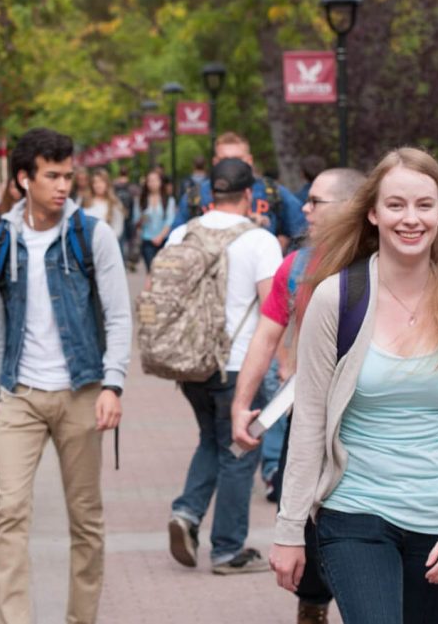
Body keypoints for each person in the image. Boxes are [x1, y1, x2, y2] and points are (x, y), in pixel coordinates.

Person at [270, 148, 438, 624]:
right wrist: (289, 528)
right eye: (396, 205)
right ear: (374, 212)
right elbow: (310, 422)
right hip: (354, 513)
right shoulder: (337, 298)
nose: (410, 218)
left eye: (424, 205)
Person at [0, 128, 132, 624]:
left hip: (81, 391)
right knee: (10, 511)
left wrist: (112, 384)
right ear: (24, 179)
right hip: (19, 394)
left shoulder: (91, 234)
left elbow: (120, 314)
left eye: (68, 175)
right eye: (52, 175)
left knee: (85, 520)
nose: (63, 185)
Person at [230, 168, 366, 623]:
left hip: (370, 420)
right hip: (307, 413)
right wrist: (241, 404)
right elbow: (265, 337)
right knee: (305, 514)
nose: (303, 209)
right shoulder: (297, 266)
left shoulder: (390, 262)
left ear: (351, 206)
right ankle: (313, 604)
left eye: (315, 201)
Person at [165, 157, 283, 575]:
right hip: (238, 365)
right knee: (239, 452)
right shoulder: (259, 240)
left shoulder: (182, 232)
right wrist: (284, 362)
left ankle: (187, 512)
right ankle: (228, 549)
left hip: (190, 363)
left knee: (211, 441)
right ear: (249, 194)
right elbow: (275, 307)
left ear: (210, 195)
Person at [170, 132, 307, 251]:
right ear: (215, 162)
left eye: (238, 159)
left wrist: (283, 249)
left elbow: (304, 234)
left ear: (249, 160)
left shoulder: (274, 192)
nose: (232, 165)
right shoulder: (196, 196)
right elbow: (175, 242)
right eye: (225, 160)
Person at [133, 168, 176, 272]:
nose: (153, 183)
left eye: (155, 180)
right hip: (147, 240)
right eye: (150, 180)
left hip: (164, 240)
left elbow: (170, 221)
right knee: (151, 271)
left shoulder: (169, 200)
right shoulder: (141, 200)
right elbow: (136, 221)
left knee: (163, 271)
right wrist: (142, 219)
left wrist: (160, 237)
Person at [82, 168, 125, 241]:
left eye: (101, 182)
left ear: (107, 184)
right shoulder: (86, 202)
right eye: (95, 182)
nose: (98, 185)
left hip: (107, 245)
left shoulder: (115, 203)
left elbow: (118, 229)